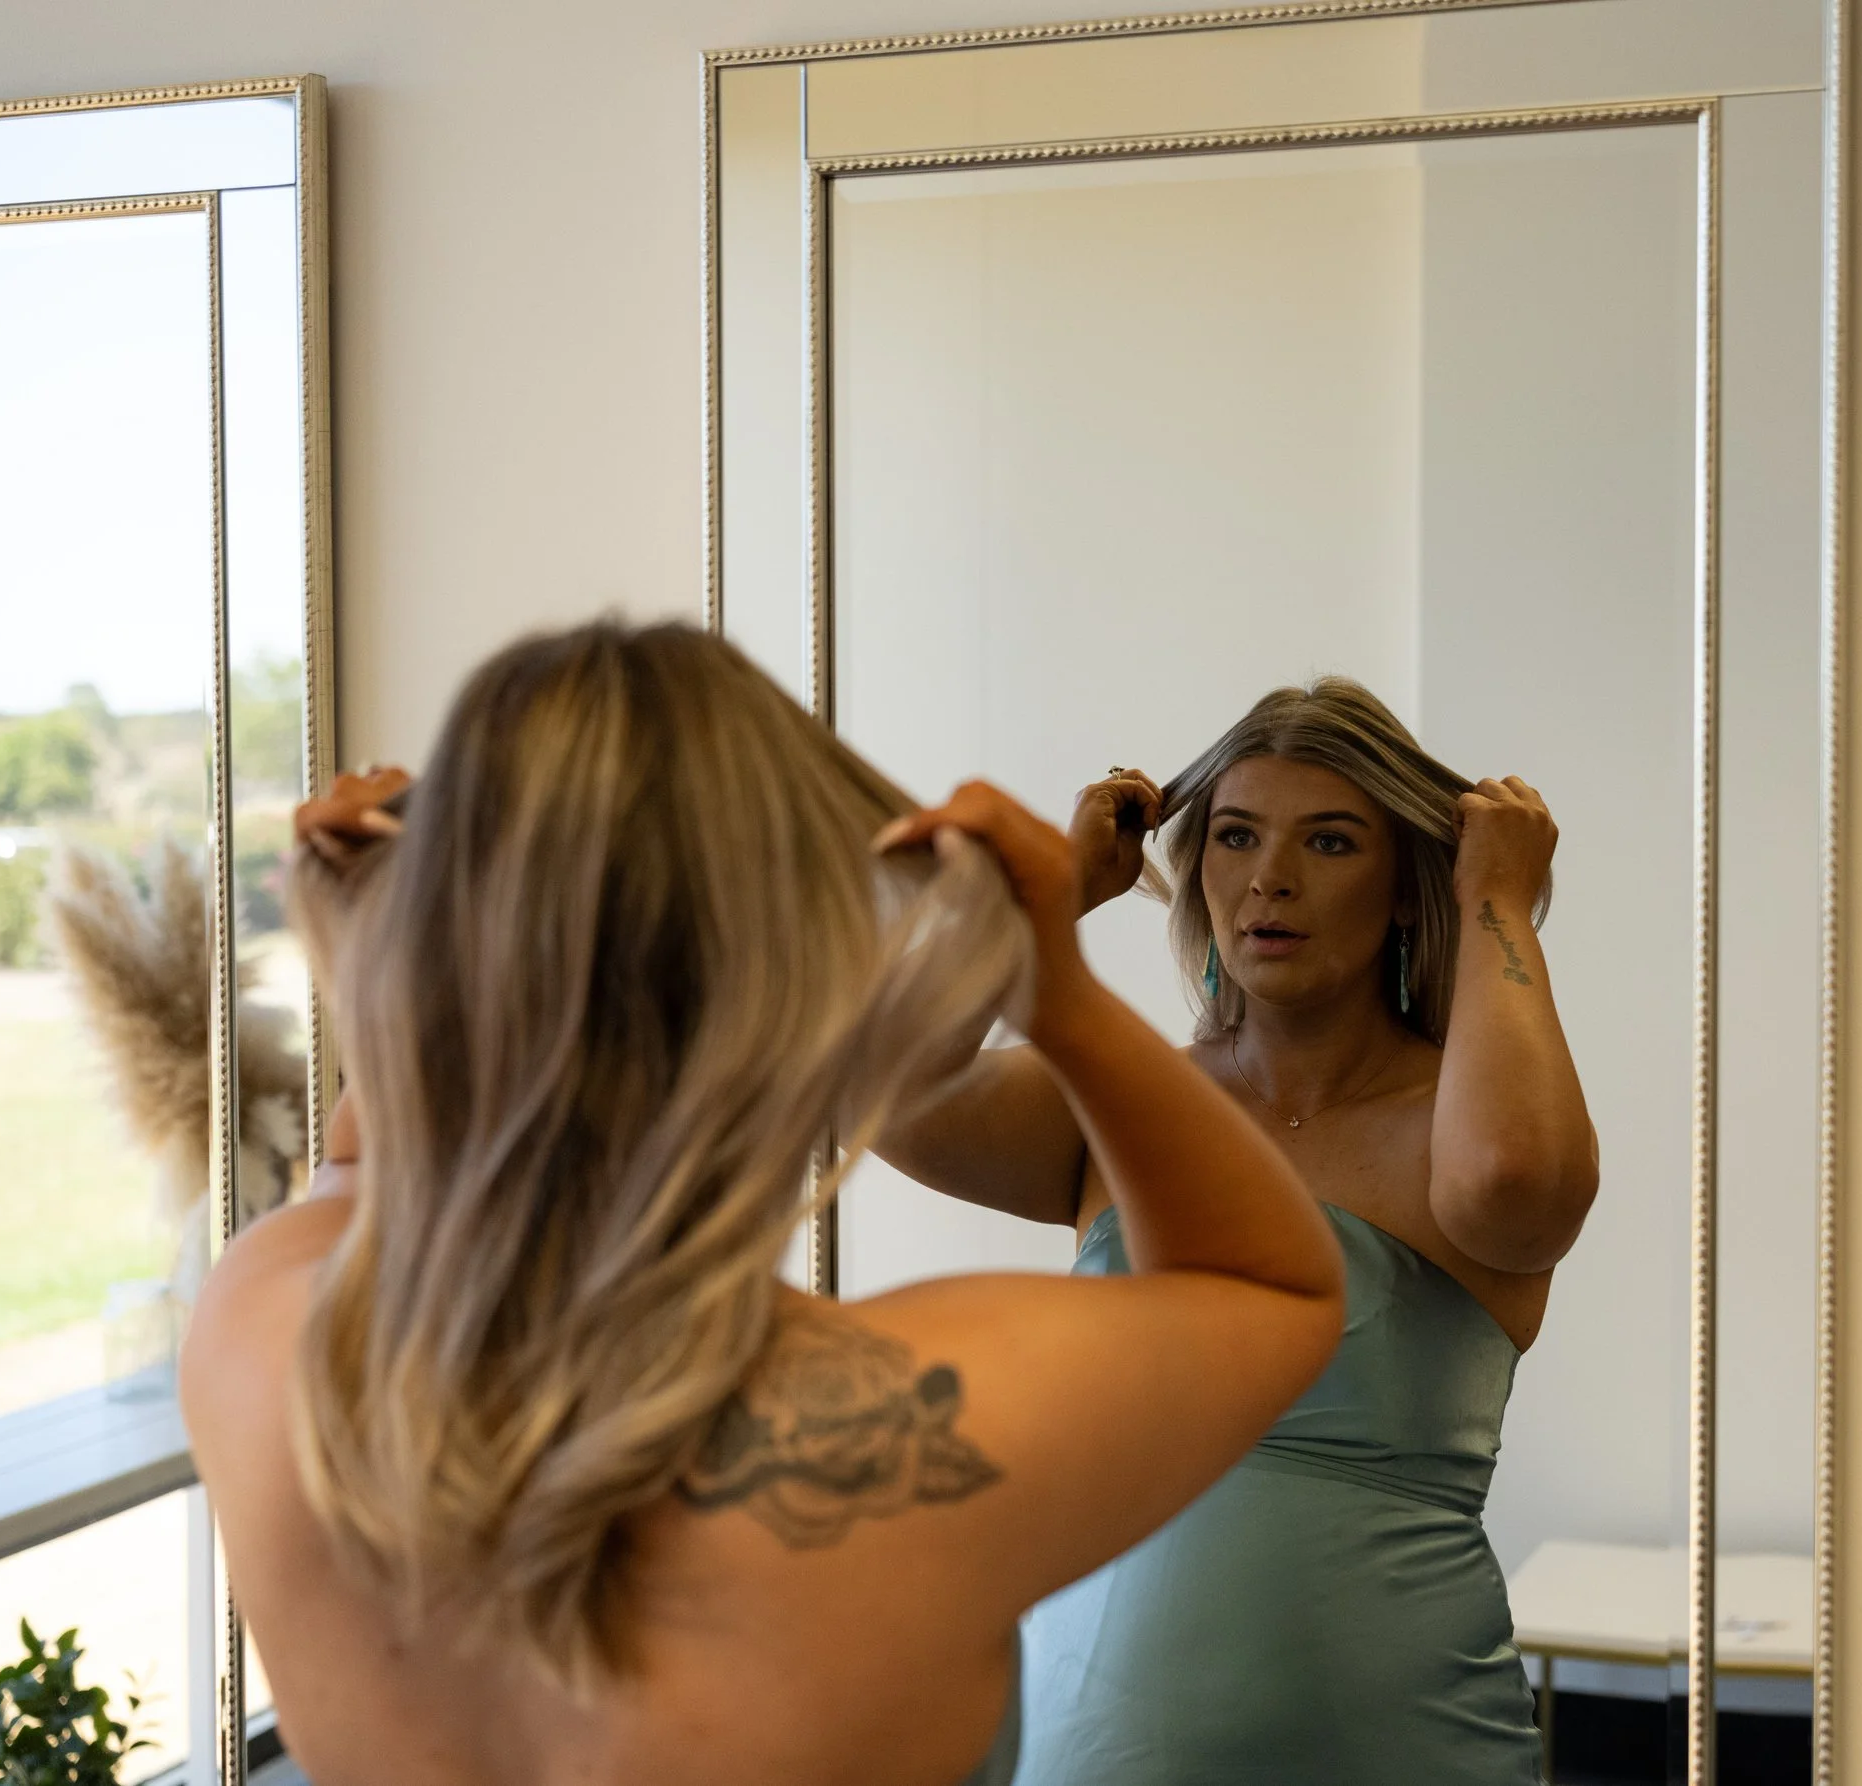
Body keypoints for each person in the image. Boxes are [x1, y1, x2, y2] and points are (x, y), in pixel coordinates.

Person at [177, 622, 1345, 1786]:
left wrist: (383, 937)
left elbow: (365, 1175)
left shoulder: (262, 1340)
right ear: (794, 996)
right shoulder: (925, 1427)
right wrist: (1055, 987)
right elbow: (1264, 1281)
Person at [877, 677, 1600, 1785]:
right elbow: (880, 1091)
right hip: (1084, 1738)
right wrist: (1052, 895)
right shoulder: (1113, 1103)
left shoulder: (1465, 1128)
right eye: (1234, 836)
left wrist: (1499, 901)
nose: (1270, 876)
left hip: (1396, 1740)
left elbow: (1522, 1183)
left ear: (1410, 888)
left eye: (1329, 840)